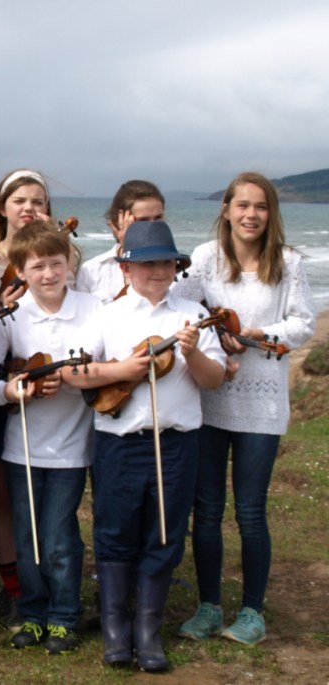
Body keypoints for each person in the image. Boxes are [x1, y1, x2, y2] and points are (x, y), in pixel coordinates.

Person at [61, 220, 225, 672]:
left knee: (166, 531)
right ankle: (116, 628)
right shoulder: (106, 315)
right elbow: (72, 374)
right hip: (118, 441)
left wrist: (191, 353)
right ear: (125, 268)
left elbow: (212, 381)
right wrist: (123, 371)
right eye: (148, 263)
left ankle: (148, 630)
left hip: (176, 442)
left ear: (177, 267)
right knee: (115, 531)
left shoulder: (191, 314)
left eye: (167, 262)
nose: (158, 270)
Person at [173, 172, 315, 646]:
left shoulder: (289, 263)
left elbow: (303, 324)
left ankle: (253, 611)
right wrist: (212, 337)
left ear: (270, 213)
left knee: (251, 511)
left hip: (262, 401)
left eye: (260, 206)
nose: (251, 214)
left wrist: (258, 336)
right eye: (242, 205)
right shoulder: (207, 259)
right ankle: (209, 606)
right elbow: (179, 308)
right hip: (211, 397)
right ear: (227, 210)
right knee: (207, 509)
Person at [0, 222, 101, 653]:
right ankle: (33, 614)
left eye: (56, 263)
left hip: (72, 446)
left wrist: (75, 380)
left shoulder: (94, 308)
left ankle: (64, 615)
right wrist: (14, 390)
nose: (48, 274)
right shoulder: (11, 315)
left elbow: (106, 369)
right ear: (21, 269)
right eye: (38, 266)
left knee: (58, 534)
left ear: (70, 262)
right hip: (23, 446)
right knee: (27, 533)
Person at [0, 168, 57, 630]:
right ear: (1, 208)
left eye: (38, 201)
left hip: (39, 383)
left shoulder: (58, 255)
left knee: (40, 492)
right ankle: (14, 588)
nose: (29, 208)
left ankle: (44, 580)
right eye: (19, 200)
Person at [77, 180, 166, 303]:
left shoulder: (171, 267)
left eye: (157, 218)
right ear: (117, 223)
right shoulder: (92, 270)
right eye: (142, 221)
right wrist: (131, 248)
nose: (152, 227)